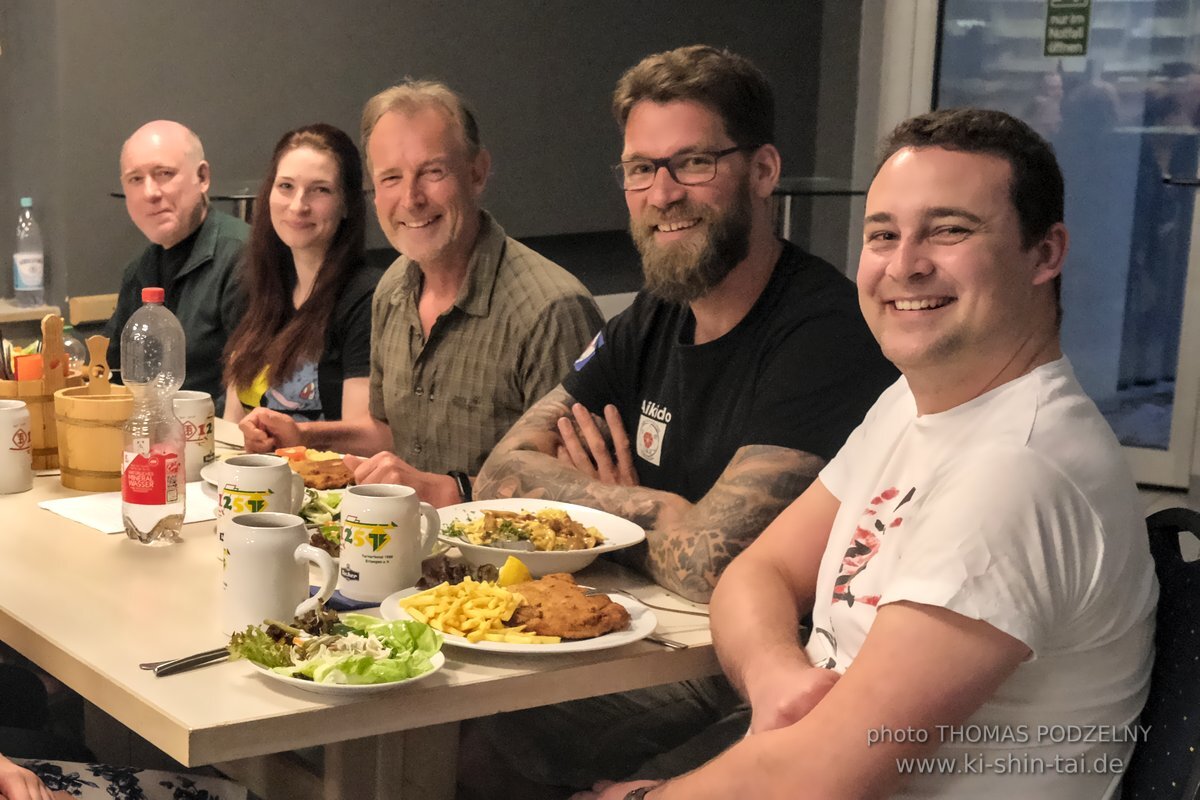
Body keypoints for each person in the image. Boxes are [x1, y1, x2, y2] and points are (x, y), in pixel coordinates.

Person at [579, 109, 1158, 800]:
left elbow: (818, 778)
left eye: (949, 230)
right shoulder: (911, 407)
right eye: (883, 235)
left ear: (1046, 253)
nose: (905, 265)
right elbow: (756, 571)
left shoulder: (1018, 470)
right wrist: (777, 678)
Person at [462, 45, 896, 798]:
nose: (662, 193)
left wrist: (588, 512)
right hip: (651, 633)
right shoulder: (657, 312)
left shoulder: (824, 331)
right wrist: (656, 511)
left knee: (469, 726)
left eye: (692, 163)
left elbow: (716, 562)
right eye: (640, 168)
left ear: (762, 171)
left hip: (742, 676)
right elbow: (502, 472)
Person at [239, 80, 603, 506]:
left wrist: (455, 490)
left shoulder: (551, 311)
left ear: (477, 172)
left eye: (432, 172)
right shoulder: (392, 289)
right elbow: (390, 430)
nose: (411, 199)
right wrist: (304, 434)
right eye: (391, 178)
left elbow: (579, 486)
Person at [221, 124, 381, 427]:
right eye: (286, 187)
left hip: (331, 473)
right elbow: (234, 422)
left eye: (320, 190)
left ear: (346, 203)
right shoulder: (256, 288)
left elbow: (367, 435)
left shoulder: (366, 296)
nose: (298, 205)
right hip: (253, 472)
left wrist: (298, 435)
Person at [106, 120, 249, 414]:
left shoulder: (244, 257)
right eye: (135, 179)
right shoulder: (138, 271)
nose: (150, 193)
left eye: (164, 174)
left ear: (203, 177)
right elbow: (114, 373)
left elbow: (251, 394)